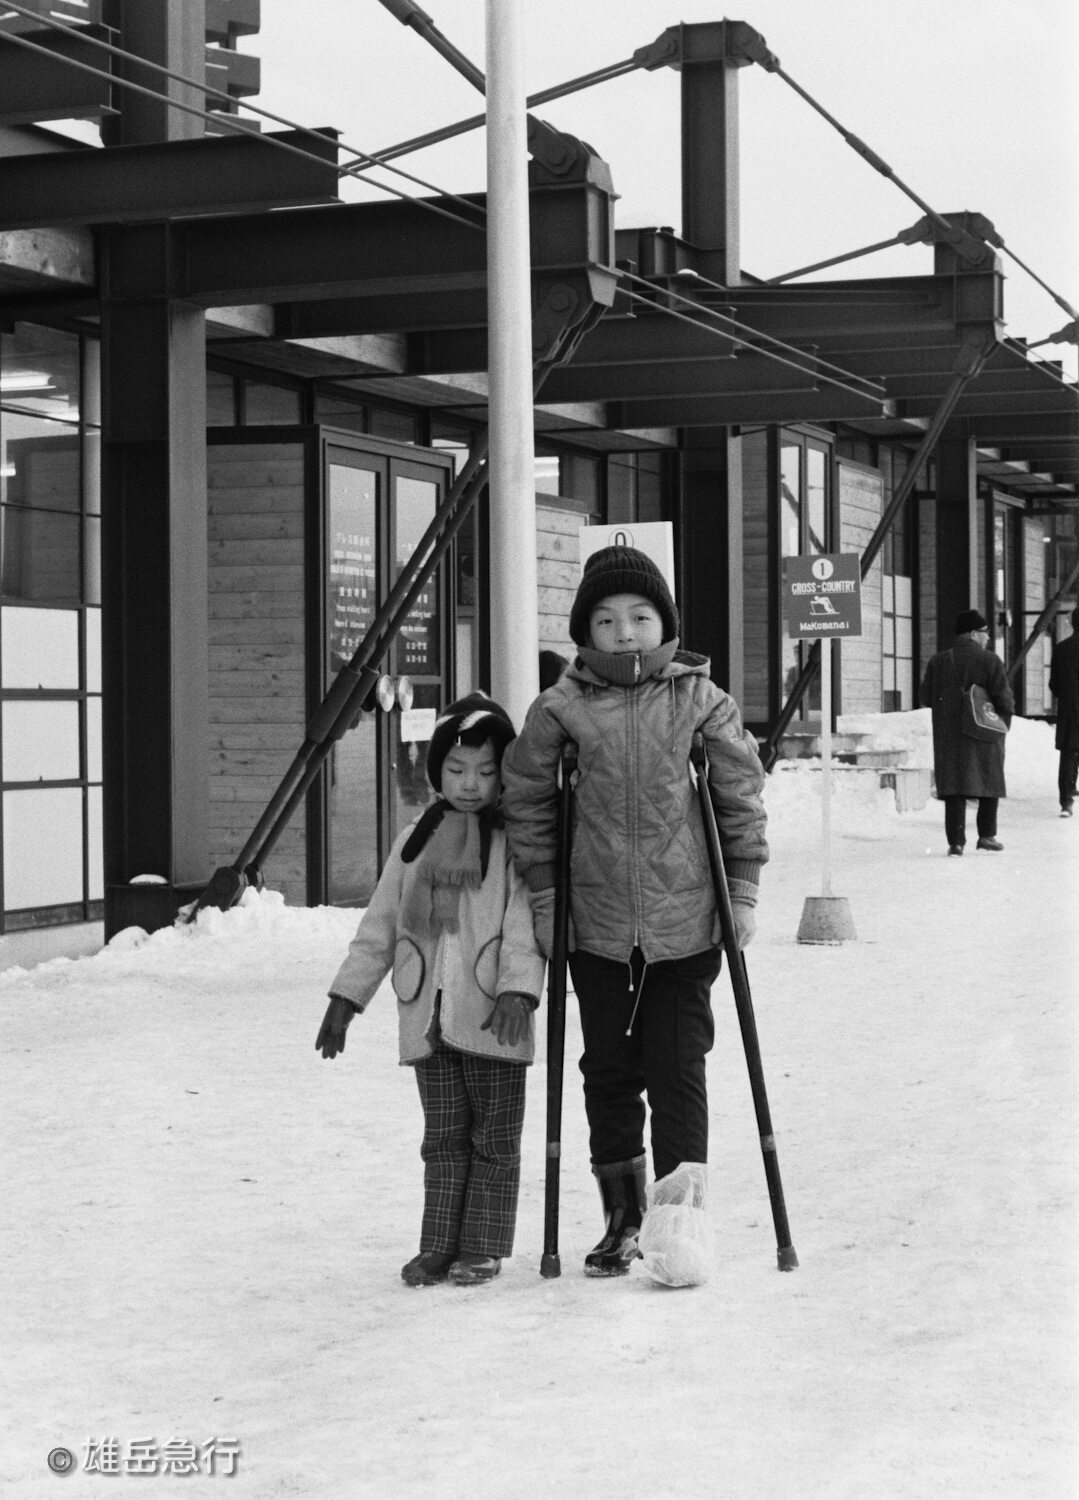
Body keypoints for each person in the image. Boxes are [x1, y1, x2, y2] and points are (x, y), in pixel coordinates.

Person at [500, 545, 768, 1277]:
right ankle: (621, 1216)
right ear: (586, 630)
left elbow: (738, 796)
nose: (625, 632)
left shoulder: (699, 698)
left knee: (678, 1066)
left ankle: (679, 1219)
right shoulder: (559, 709)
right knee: (609, 1071)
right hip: (595, 926)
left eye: (640, 617)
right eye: (607, 619)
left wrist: (740, 889)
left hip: (683, 925)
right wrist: (548, 896)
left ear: (665, 624)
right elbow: (526, 803)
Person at [316, 693, 545, 1288]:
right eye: (457, 770)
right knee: (442, 1138)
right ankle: (438, 1243)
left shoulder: (513, 843)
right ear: (436, 770)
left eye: (487, 771)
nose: (471, 784)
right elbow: (381, 922)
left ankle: (483, 1245)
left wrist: (519, 992)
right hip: (428, 1012)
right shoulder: (414, 840)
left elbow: (524, 925)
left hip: (493, 1012)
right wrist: (346, 999)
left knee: (494, 1139)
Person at [919, 608, 1015, 855]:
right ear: (973, 633)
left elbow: (925, 696)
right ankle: (986, 836)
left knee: (954, 786)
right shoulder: (990, 660)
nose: (988, 638)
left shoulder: (938, 661)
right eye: (984, 632)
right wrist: (1002, 724)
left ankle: (956, 843)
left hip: (948, 735)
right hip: (983, 731)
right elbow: (1004, 698)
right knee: (989, 780)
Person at [1048, 605, 1079, 817]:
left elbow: (1053, 684)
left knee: (1068, 755)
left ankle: (1066, 802)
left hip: (1069, 710)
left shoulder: (1061, 648)